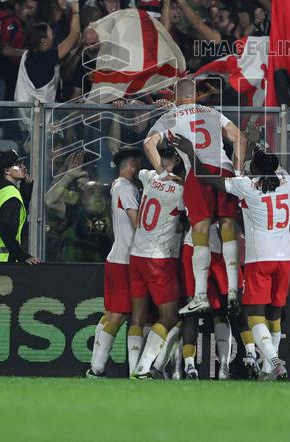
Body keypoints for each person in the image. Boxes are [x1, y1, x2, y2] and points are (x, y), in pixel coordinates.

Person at [145, 78, 246, 315]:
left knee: (200, 230)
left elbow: (149, 144)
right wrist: (238, 172)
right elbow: (240, 138)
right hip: (224, 168)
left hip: (197, 173)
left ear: (175, 96)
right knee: (228, 226)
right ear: (195, 94)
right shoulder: (213, 112)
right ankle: (233, 289)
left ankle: (200, 295)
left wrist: (163, 174)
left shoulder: (171, 116)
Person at [222, 147, 290, 381]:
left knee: (254, 317)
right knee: (275, 316)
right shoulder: (286, 179)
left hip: (260, 258)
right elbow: (272, 166)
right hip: (285, 257)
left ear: (255, 170)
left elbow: (219, 181)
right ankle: (266, 371)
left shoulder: (247, 187)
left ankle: (275, 362)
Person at [126, 147, 185, 379]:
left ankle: (132, 370)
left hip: (137, 254)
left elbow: (141, 171)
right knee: (169, 316)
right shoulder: (181, 190)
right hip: (159, 258)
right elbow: (184, 222)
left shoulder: (149, 177)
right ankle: (144, 368)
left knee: (138, 318)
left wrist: (161, 171)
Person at [89, 148, 142, 376]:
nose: (140, 169)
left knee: (111, 314)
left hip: (117, 257)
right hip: (125, 260)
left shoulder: (119, 186)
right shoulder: (126, 188)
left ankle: (95, 367)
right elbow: (137, 222)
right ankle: (97, 368)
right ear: (131, 165)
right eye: (138, 165)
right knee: (119, 315)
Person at [0, 149, 39, 263]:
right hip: (4, 262)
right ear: (7, 170)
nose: (23, 167)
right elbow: (5, 228)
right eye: (18, 164)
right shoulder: (9, 194)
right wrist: (22, 256)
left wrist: (25, 192)